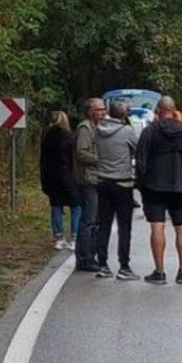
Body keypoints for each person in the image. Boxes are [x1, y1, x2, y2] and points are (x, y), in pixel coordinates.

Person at [135, 96, 182, 285]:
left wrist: (140, 183)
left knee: (157, 226)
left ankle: (159, 270)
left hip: (155, 185)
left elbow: (140, 160)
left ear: (158, 110)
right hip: (181, 186)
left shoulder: (150, 131)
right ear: (174, 110)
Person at [95, 100, 140, 280]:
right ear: (124, 114)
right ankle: (124, 266)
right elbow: (138, 148)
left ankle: (103, 264)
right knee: (124, 226)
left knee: (103, 224)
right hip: (122, 183)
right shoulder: (127, 131)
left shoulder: (99, 130)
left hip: (103, 181)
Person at [40, 111, 82, 250]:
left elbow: (43, 160)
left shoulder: (47, 137)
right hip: (68, 176)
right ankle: (75, 237)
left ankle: (59, 237)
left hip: (51, 177)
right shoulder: (70, 137)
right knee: (76, 206)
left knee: (56, 206)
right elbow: (74, 159)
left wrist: (44, 179)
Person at [73, 98, 106, 272]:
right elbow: (81, 153)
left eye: (103, 109)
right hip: (88, 180)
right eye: (99, 109)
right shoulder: (85, 128)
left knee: (95, 221)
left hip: (97, 179)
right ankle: (84, 258)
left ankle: (92, 255)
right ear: (90, 112)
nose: (103, 112)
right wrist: (101, 160)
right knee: (88, 221)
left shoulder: (98, 128)